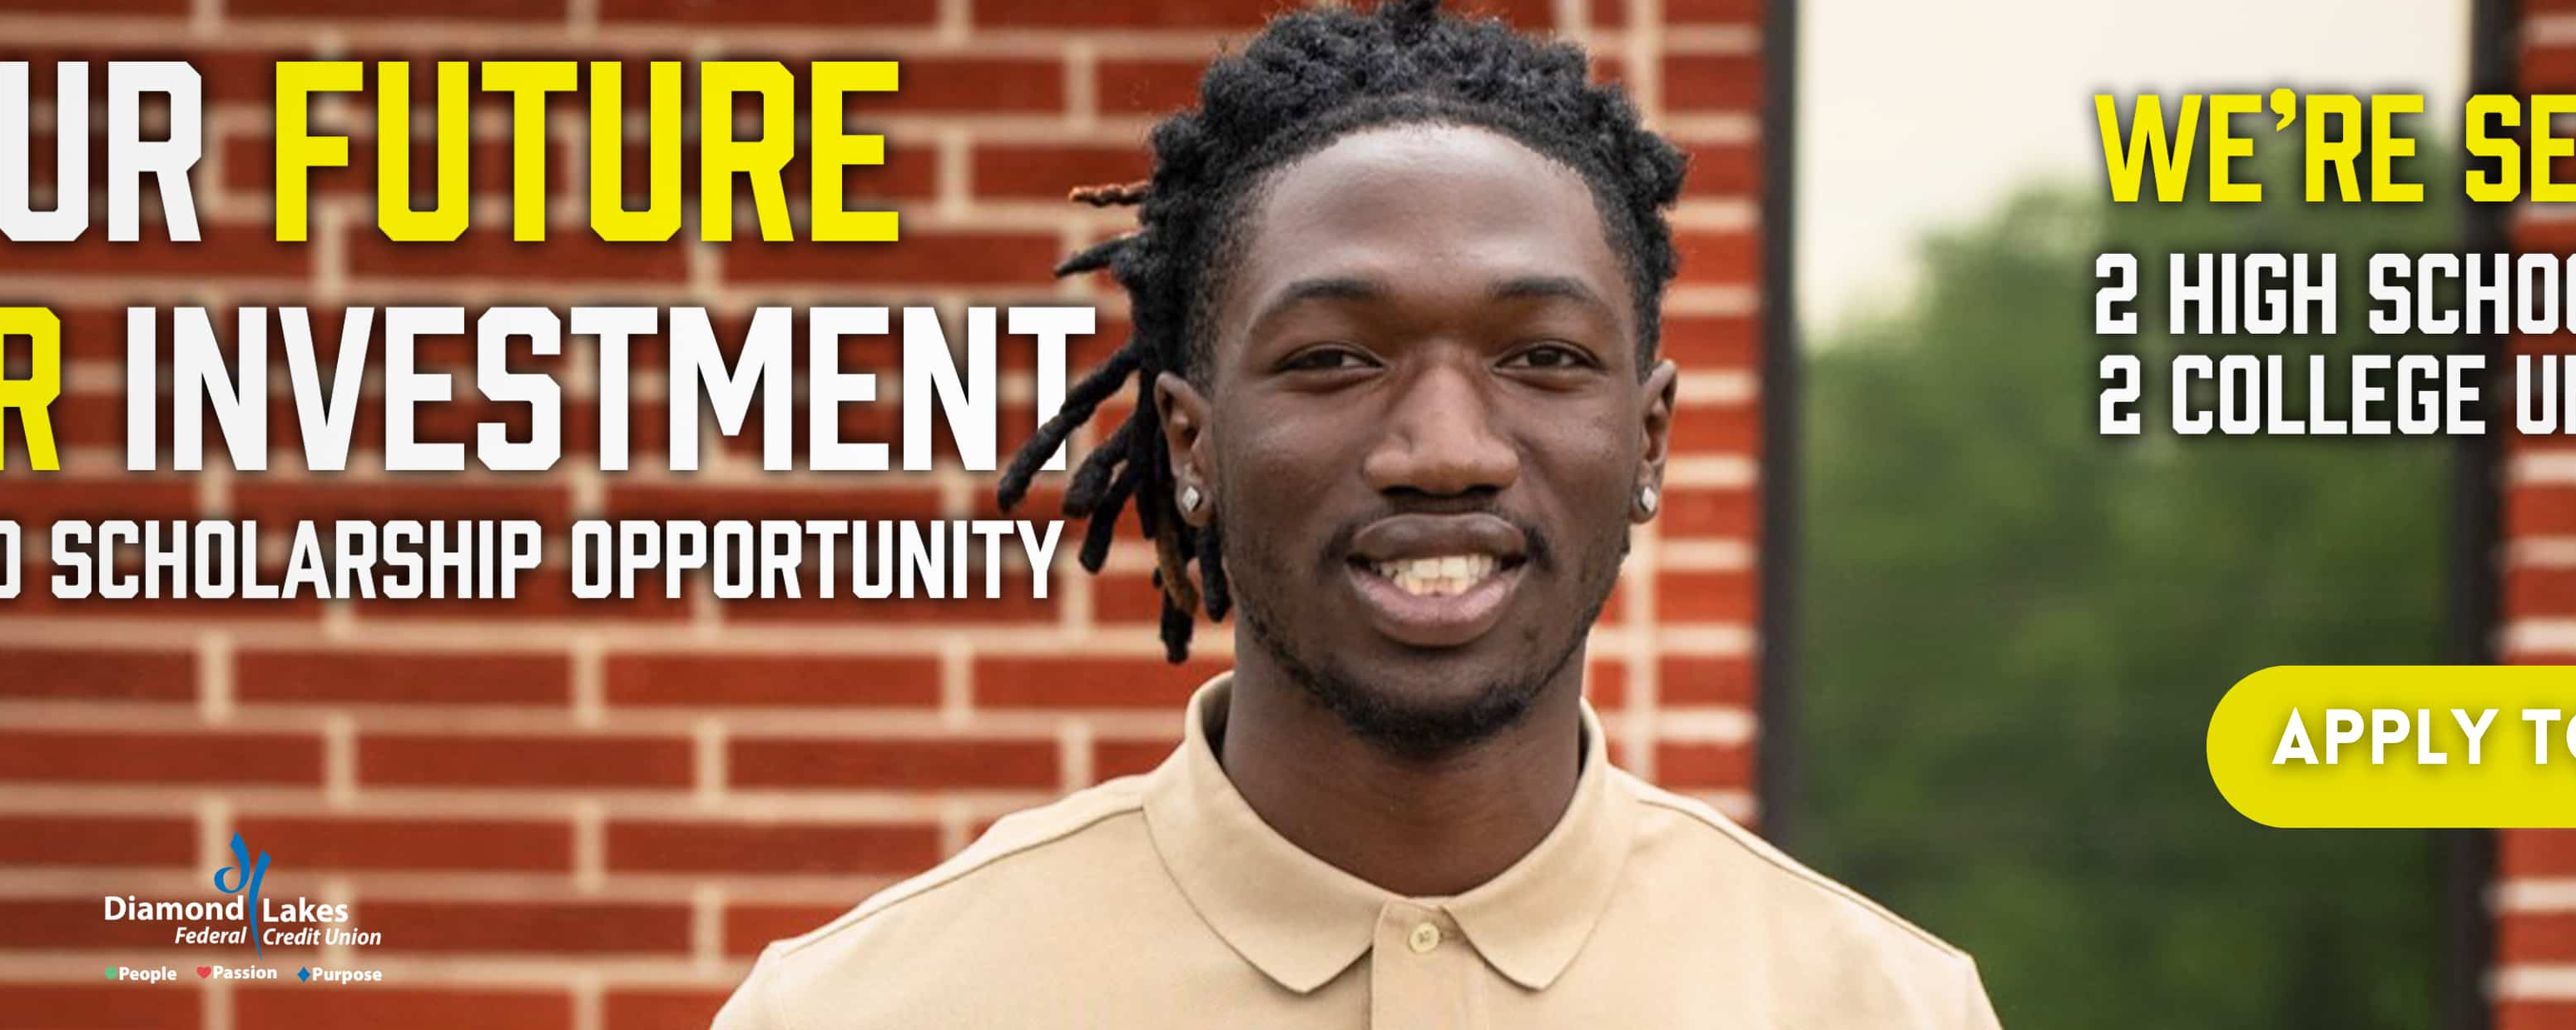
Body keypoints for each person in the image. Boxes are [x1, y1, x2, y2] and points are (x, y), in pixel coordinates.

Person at [712, 2, 2001, 1025]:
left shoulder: (1879, 1006)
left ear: (1648, 438)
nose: (1444, 451)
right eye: (1335, 359)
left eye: (1541, 357)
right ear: (1188, 442)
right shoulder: (864, 1007)